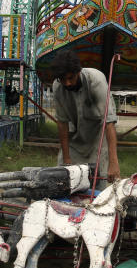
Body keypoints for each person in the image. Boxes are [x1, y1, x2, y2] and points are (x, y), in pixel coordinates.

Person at [51, 50, 120, 184]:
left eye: (71, 78)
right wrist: (66, 159)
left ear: (78, 72)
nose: (67, 83)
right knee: (63, 178)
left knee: (100, 180)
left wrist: (114, 163)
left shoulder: (96, 80)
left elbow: (109, 122)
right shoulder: (57, 86)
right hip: (75, 136)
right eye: (63, 79)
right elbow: (62, 123)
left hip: (99, 137)